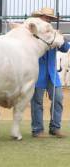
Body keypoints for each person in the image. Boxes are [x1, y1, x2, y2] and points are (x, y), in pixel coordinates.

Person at [30, 7, 69, 138]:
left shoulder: (53, 33)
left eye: (50, 18)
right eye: (45, 17)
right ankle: (37, 130)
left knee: (58, 99)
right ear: (39, 18)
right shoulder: (32, 32)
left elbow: (65, 48)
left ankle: (55, 128)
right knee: (37, 102)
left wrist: (61, 37)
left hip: (52, 74)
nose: (47, 20)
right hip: (36, 73)